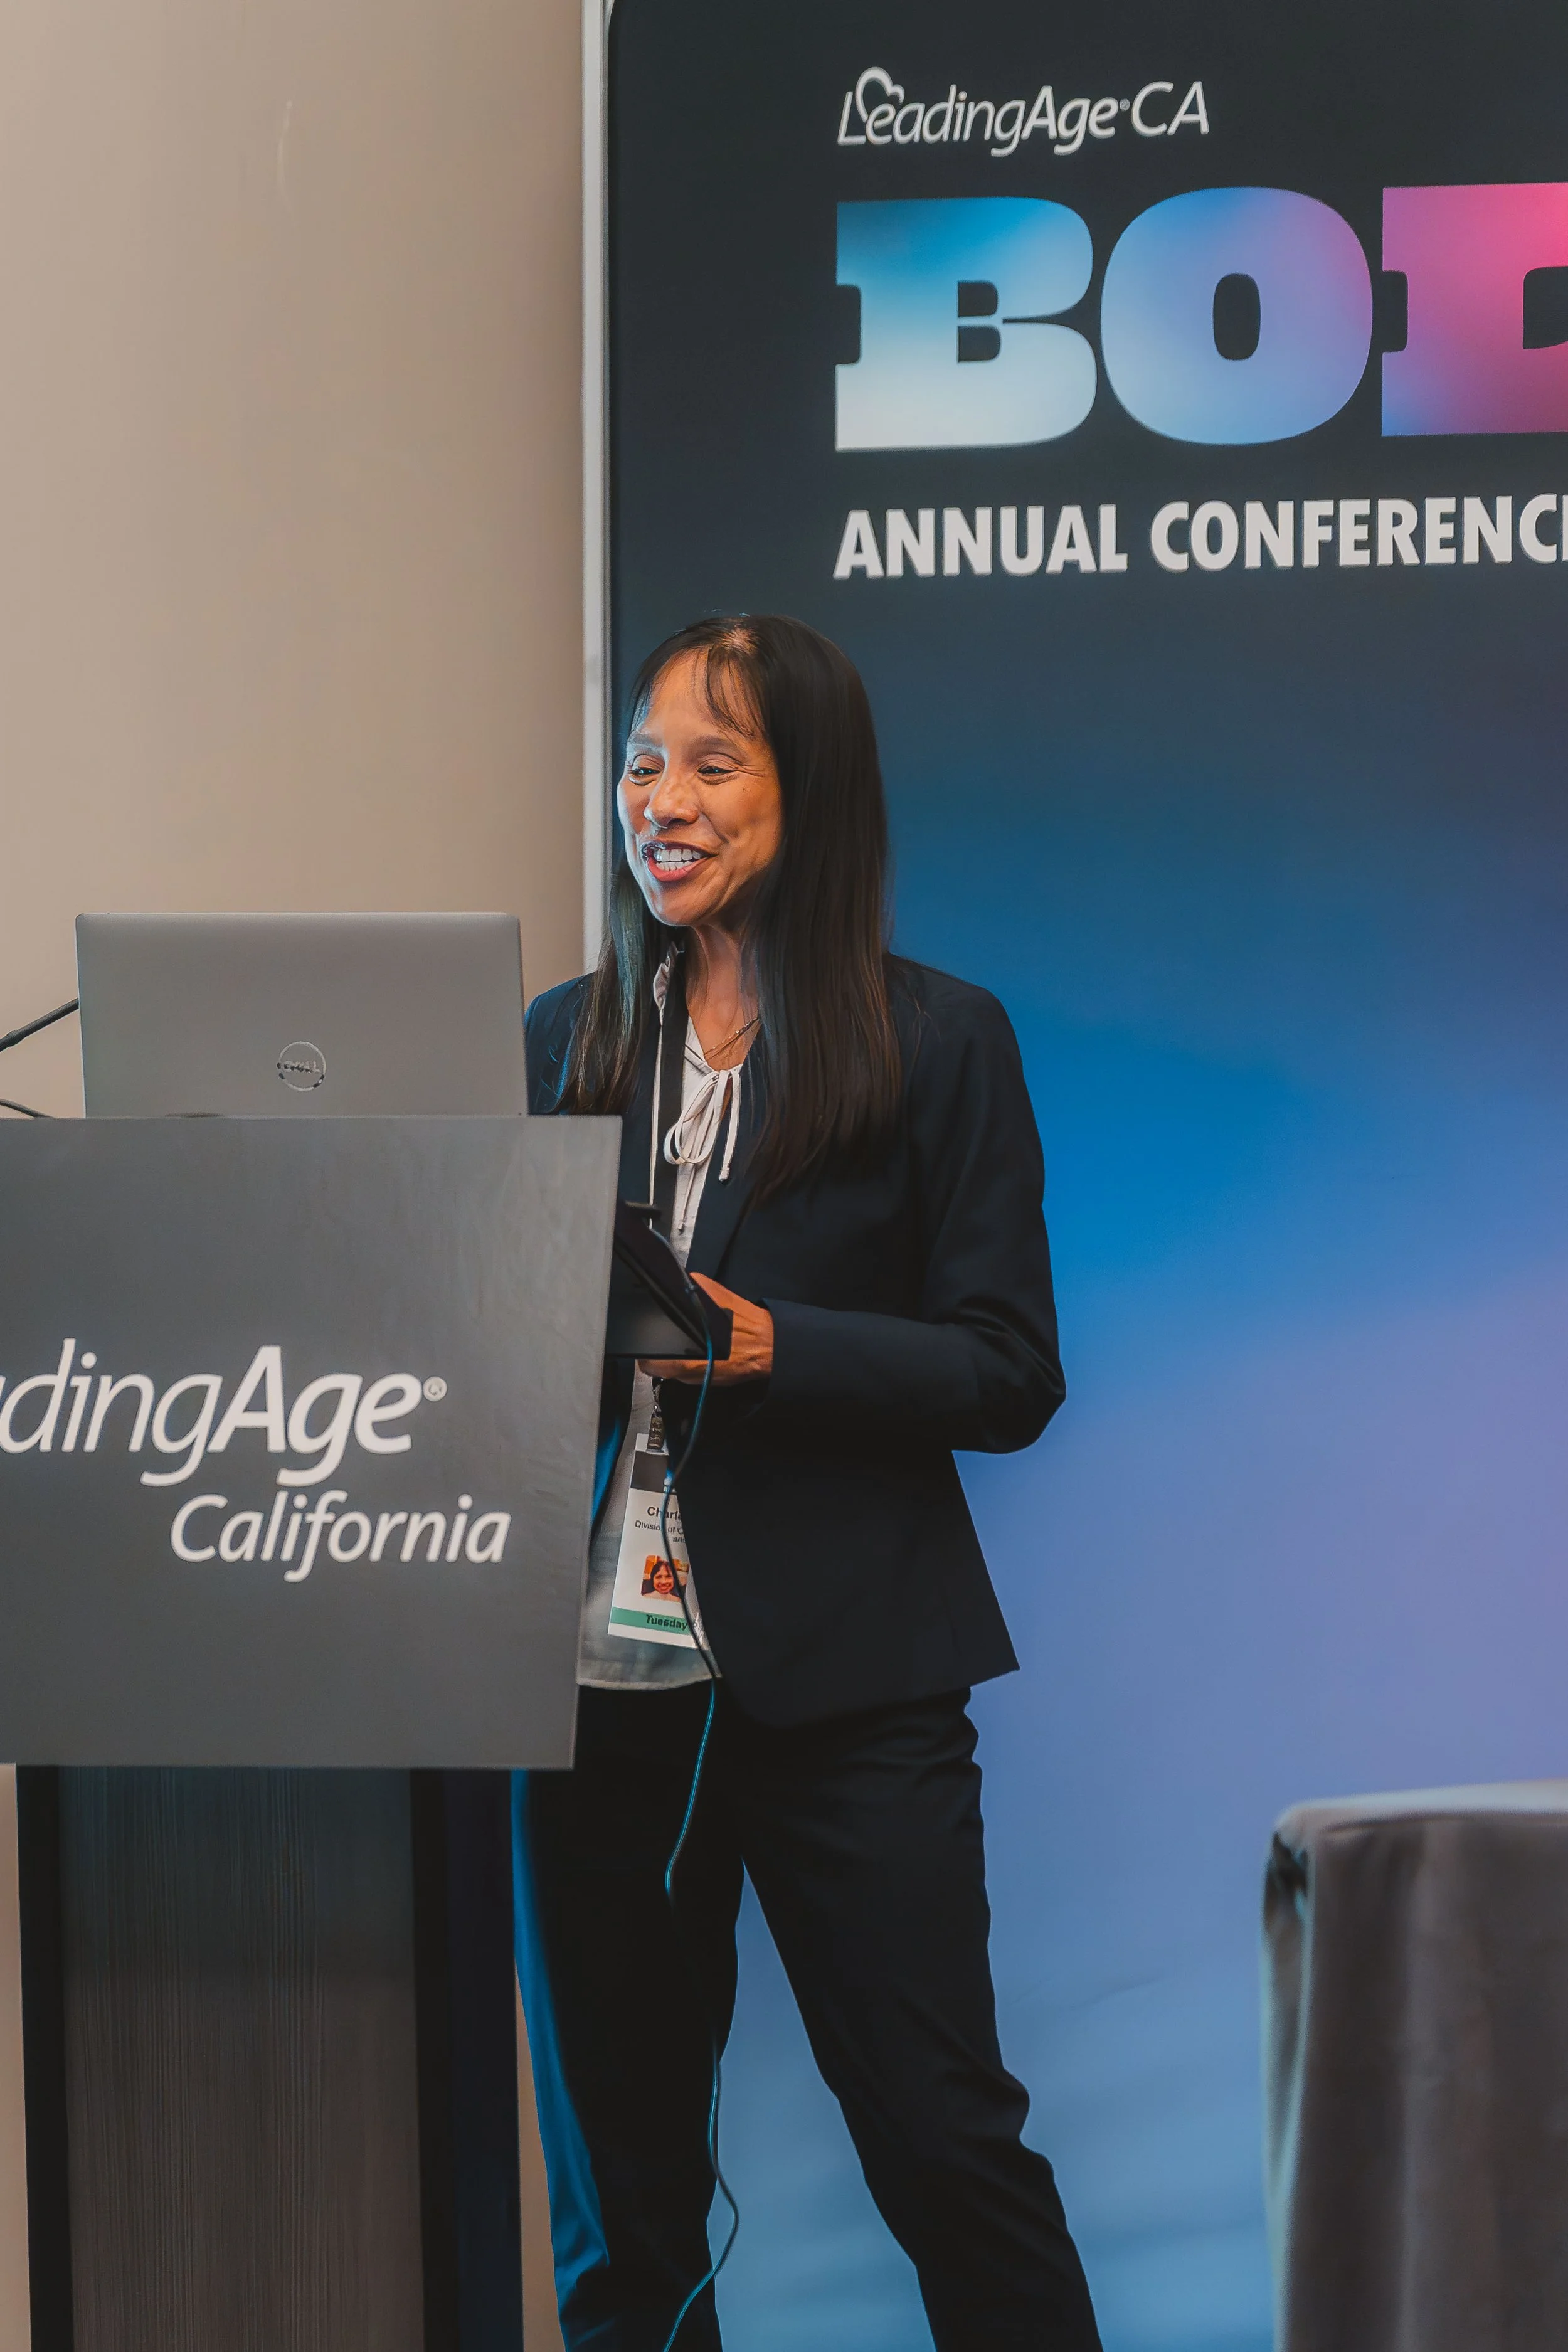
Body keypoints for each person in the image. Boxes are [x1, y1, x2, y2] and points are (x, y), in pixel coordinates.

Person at [513, 614, 1101, 2352]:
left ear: (812, 789)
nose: (661, 801)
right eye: (642, 762)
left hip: (847, 1692)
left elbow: (1009, 1368)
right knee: (620, 2199)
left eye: (712, 763)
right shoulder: (560, 1040)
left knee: (944, 2143)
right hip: (593, 1698)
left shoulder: (936, 1038)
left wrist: (784, 1348)